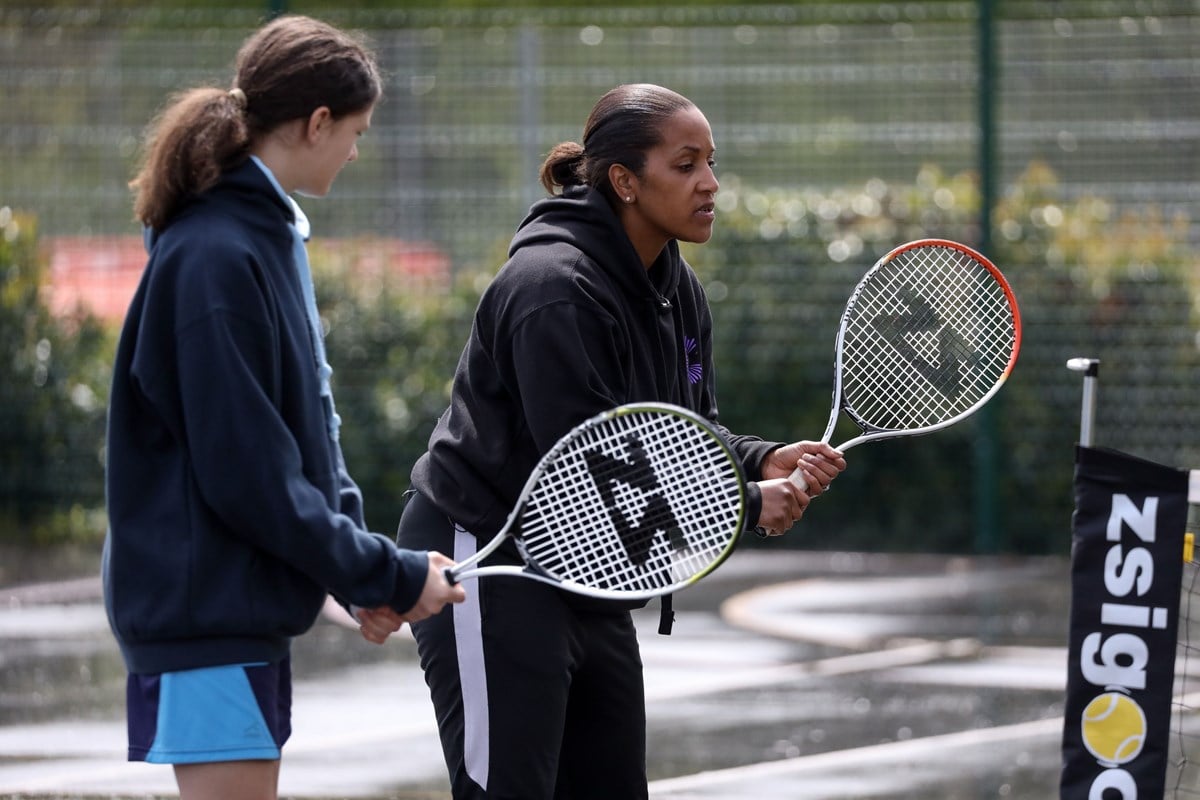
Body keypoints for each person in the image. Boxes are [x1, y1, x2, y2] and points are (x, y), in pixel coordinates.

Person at [359, 83, 847, 799]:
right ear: (624, 181)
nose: (710, 183)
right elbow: (594, 471)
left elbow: (679, 430)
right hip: (494, 563)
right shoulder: (551, 290)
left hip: (592, 571)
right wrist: (745, 501)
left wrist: (758, 457)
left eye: (712, 162)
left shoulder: (676, 288)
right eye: (685, 165)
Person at [102, 15, 465, 800]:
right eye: (355, 132)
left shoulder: (264, 237)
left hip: (234, 611)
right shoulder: (215, 255)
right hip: (204, 620)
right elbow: (249, 474)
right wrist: (386, 571)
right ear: (317, 122)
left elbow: (307, 437)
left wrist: (364, 577)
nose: (357, 152)